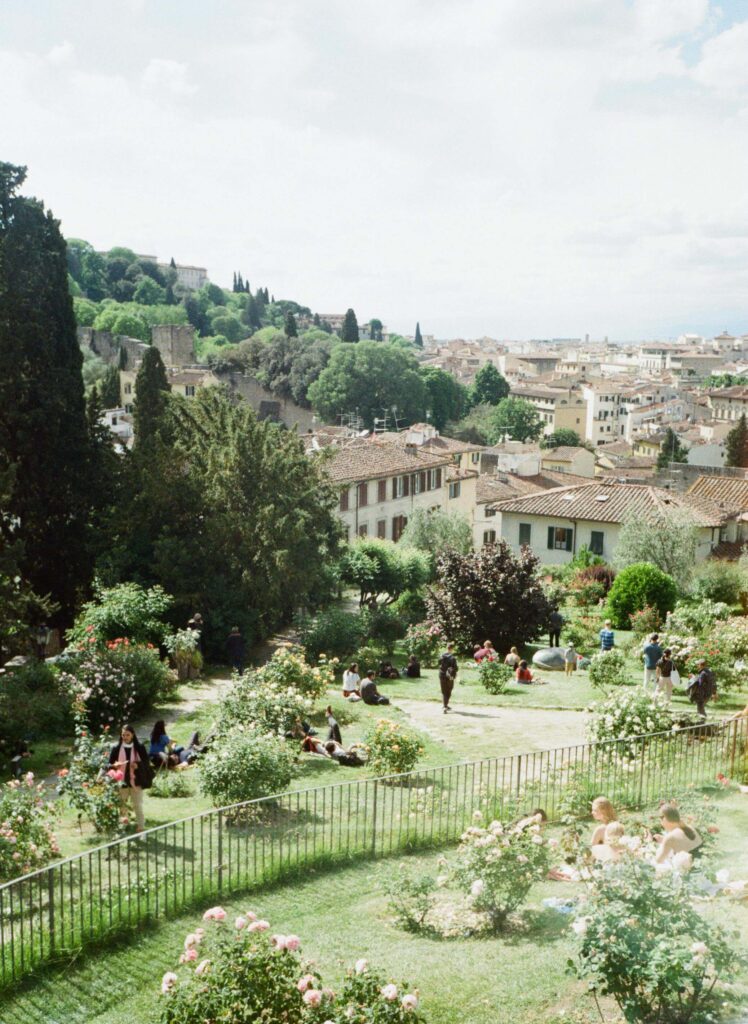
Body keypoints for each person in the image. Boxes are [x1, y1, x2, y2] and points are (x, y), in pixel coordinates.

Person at [108, 724, 152, 832]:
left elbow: (147, 763)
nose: (125, 737)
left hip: (136, 781)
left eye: (127, 735)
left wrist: (138, 765)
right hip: (121, 781)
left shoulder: (139, 747)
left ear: (133, 735)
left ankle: (141, 827)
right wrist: (115, 765)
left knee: (137, 805)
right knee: (122, 805)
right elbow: (109, 764)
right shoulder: (116, 748)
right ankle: (124, 824)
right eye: (123, 735)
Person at [438, 643, 459, 714]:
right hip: (449, 676)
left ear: (447, 648)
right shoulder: (453, 658)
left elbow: (439, 664)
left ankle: (445, 705)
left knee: (444, 691)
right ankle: (445, 706)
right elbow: (456, 668)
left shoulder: (441, 656)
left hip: (441, 675)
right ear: (452, 649)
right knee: (449, 690)